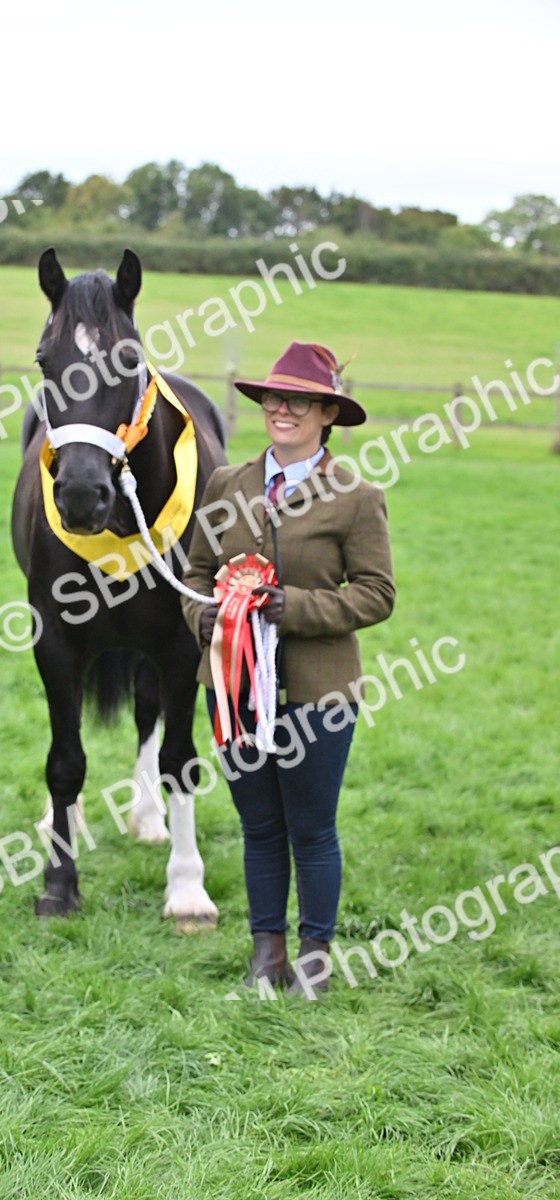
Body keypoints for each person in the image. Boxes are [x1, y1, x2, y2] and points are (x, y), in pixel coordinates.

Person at [180, 341, 395, 998]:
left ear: (327, 413)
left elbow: (377, 593)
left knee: (311, 827)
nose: (282, 408)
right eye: (274, 396)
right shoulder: (226, 485)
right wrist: (209, 619)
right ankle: (265, 952)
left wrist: (290, 607)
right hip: (234, 688)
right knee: (259, 825)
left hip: (317, 693)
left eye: (298, 399)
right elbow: (193, 574)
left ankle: (314, 959)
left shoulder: (357, 497)